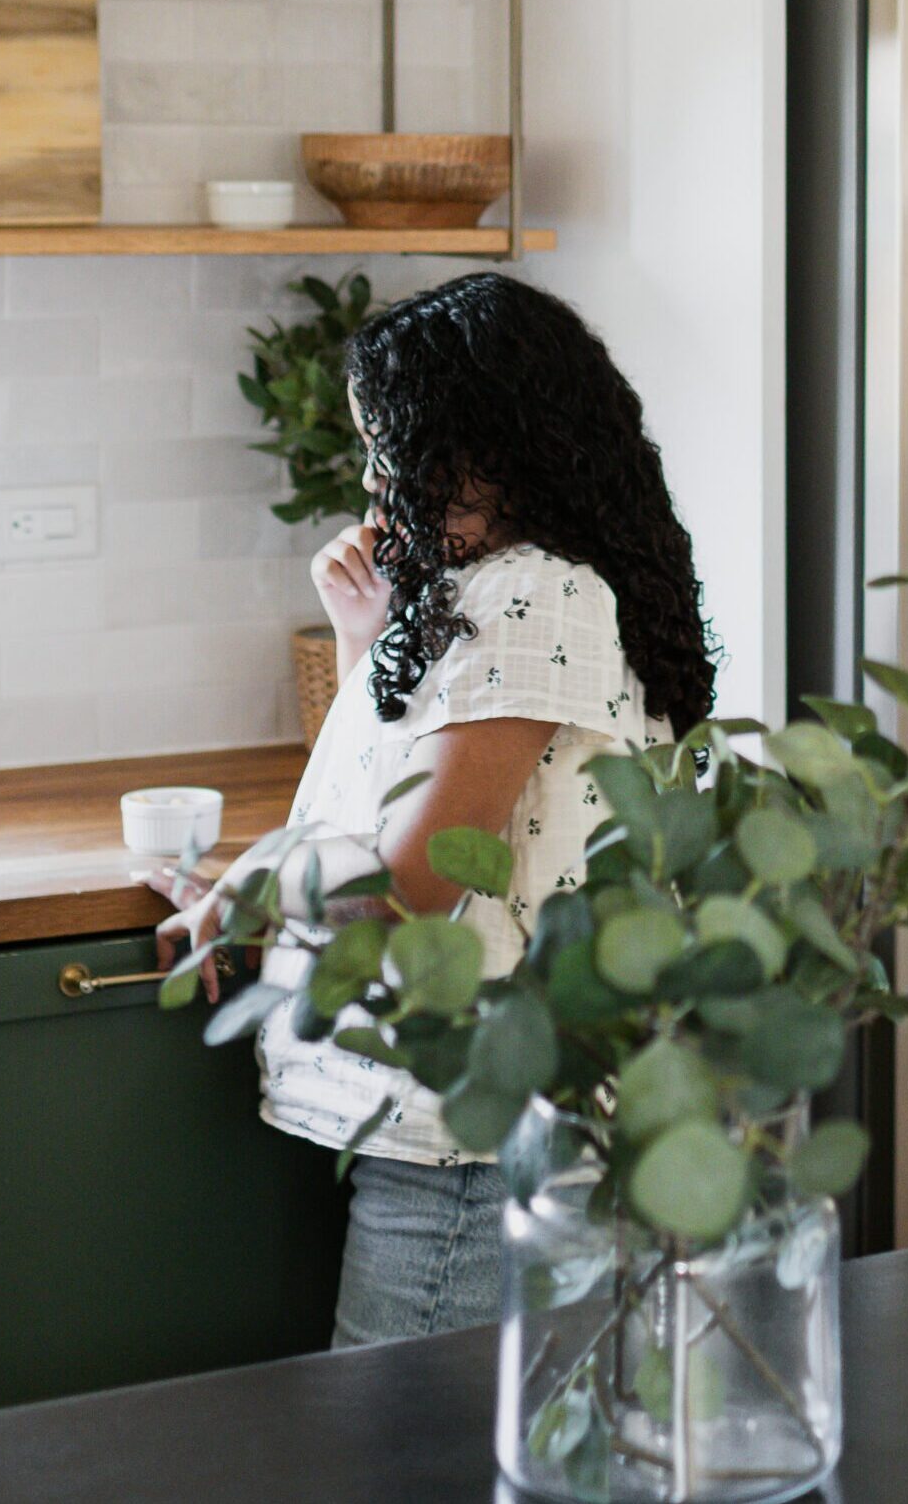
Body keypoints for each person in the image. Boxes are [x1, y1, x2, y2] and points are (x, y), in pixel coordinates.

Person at [158, 273, 718, 1346]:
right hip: (498, 1125)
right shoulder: (553, 584)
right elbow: (462, 805)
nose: (377, 485)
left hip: (466, 1151)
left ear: (487, 450)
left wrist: (257, 875)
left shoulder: (528, 593)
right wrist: (375, 643)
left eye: (392, 450)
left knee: (401, 1462)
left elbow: (414, 880)